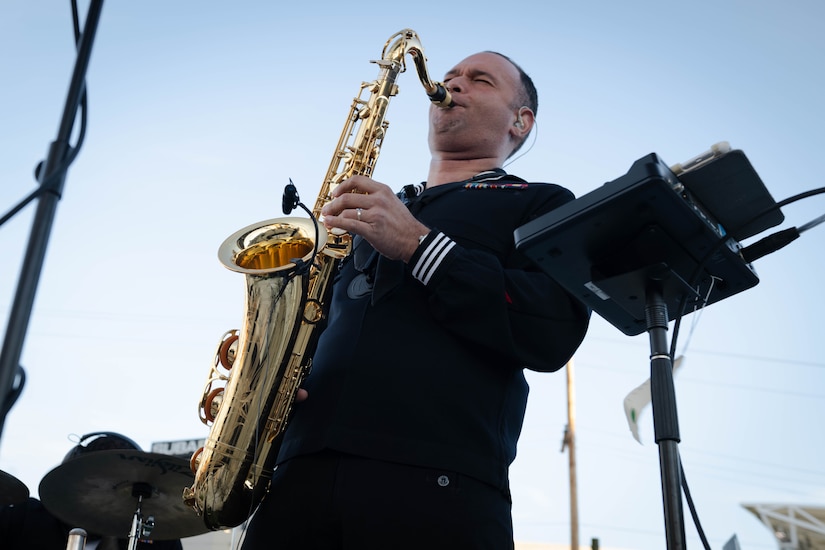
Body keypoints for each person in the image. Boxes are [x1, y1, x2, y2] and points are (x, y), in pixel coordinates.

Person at [240, 51, 590, 549]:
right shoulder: (381, 210)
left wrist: (418, 246)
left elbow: (552, 327)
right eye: (450, 77)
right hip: (299, 476)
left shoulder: (540, 201)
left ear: (521, 120)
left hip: (436, 482)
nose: (453, 84)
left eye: (479, 79)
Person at [0, 432, 183, 550]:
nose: (110, 492)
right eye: (99, 479)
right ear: (71, 479)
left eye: (122, 483)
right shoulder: (23, 517)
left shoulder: (161, 541)